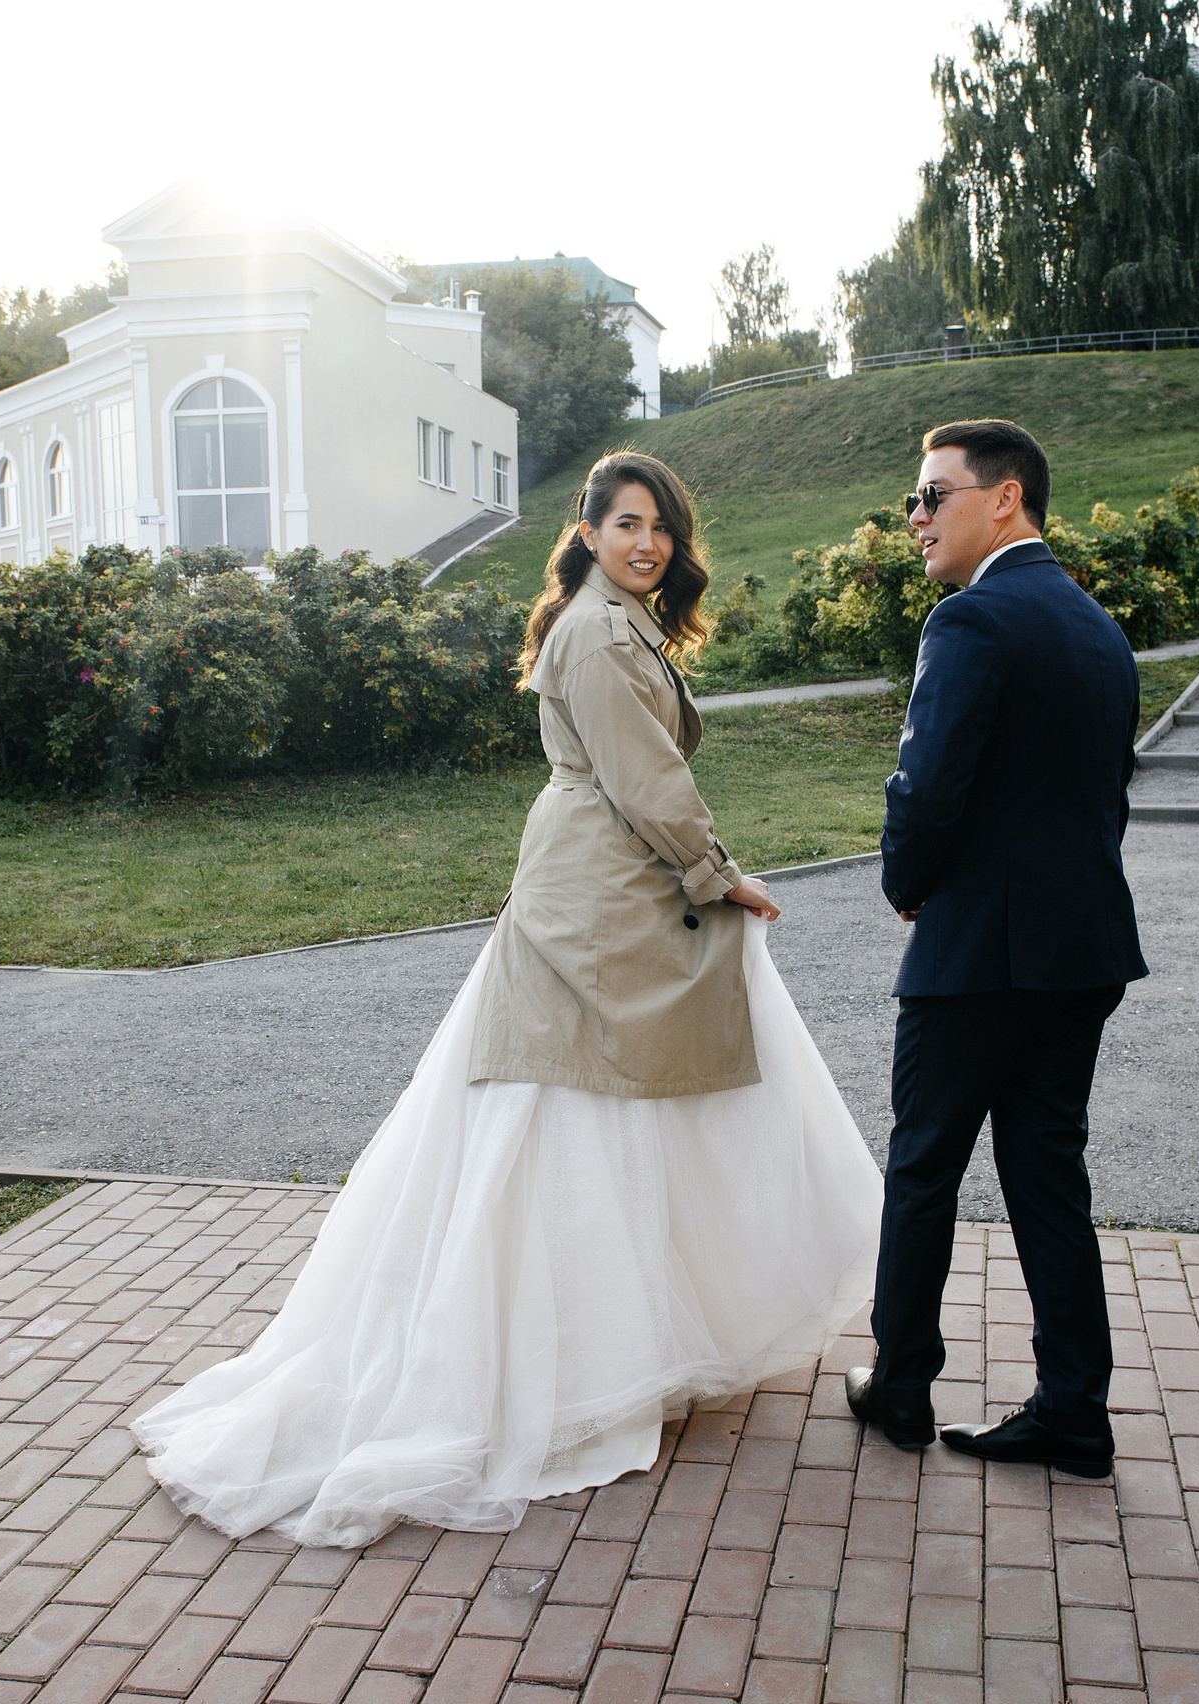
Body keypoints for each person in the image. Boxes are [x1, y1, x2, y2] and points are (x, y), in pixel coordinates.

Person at [134, 451, 883, 1547]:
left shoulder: (611, 623)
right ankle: (559, 1368)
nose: (647, 543)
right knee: (565, 1113)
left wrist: (705, 871)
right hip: (600, 897)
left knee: (598, 1114)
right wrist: (718, 874)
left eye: (661, 528)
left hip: (603, 888)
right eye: (627, 524)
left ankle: (607, 1353)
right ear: (586, 531)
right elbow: (646, 782)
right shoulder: (595, 629)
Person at [844, 418, 1148, 1479]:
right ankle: (1075, 1409)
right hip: (1083, 946)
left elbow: (928, 786)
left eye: (933, 496)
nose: (915, 519)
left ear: (1004, 498)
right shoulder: (1099, 629)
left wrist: (907, 886)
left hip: (976, 949)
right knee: (1047, 1178)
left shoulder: (970, 622)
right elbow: (1102, 800)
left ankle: (901, 1387)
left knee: (923, 1167)